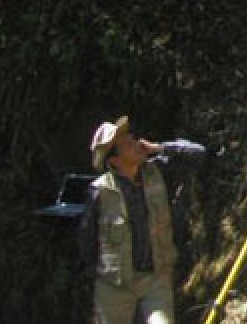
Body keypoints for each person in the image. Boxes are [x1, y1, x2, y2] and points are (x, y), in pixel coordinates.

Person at [79, 116, 205, 324]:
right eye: (128, 144)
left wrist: (159, 148)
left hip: (156, 280)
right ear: (114, 160)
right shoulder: (100, 191)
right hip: (114, 285)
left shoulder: (159, 172)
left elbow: (198, 153)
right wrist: (98, 275)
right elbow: (87, 238)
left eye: (133, 139)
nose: (136, 144)